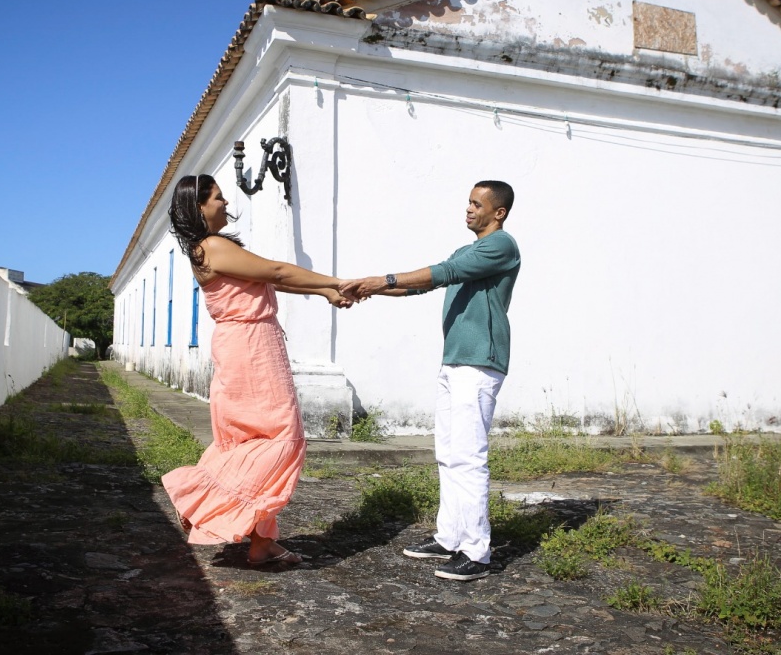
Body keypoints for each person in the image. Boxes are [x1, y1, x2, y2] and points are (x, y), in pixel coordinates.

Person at [160, 174, 352, 566]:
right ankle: (203, 503)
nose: (226, 202)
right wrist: (336, 282)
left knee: (249, 440)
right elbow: (277, 272)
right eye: (217, 198)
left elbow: (271, 279)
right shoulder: (211, 246)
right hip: (250, 349)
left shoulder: (210, 248)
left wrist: (324, 291)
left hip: (247, 344)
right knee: (283, 437)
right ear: (198, 207)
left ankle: (260, 540)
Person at [340, 180, 519, 581]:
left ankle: (476, 552)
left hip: (480, 361)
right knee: (448, 452)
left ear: (499, 212)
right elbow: (426, 284)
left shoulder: (502, 246)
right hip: (454, 361)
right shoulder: (466, 251)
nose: (469, 209)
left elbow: (446, 272)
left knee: (469, 456)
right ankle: (449, 537)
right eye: (468, 203)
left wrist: (380, 279)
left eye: (477, 204)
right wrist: (367, 289)